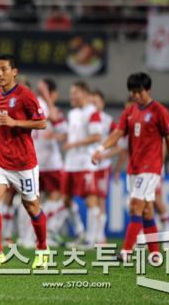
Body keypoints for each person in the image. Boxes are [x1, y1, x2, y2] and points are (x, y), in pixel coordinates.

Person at [91, 73, 169, 262]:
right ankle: (155, 254)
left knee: (135, 206)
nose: (136, 96)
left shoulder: (159, 110)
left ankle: (126, 252)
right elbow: (118, 133)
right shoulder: (130, 112)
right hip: (134, 168)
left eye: (139, 92)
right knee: (147, 211)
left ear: (148, 90)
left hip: (151, 168)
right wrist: (101, 148)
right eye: (133, 92)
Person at [0, 54, 49, 268]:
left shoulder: (26, 96)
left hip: (23, 163)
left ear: (14, 72)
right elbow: (0, 116)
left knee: (32, 208)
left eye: (3, 69)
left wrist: (14, 122)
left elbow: (42, 123)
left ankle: (43, 250)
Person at [61, 81, 102, 249]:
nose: (72, 96)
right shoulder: (72, 114)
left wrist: (75, 143)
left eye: (75, 92)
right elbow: (70, 136)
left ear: (85, 94)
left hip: (86, 162)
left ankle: (92, 239)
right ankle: (80, 232)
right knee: (66, 199)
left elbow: (97, 136)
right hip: (71, 163)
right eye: (71, 93)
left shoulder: (93, 112)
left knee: (90, 200)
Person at [33, 79, 69, 246]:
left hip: (32, 160)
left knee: (34, 200)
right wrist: (48, 98)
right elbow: (62, 129)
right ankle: (48, 231)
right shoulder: (50, 107)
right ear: (53, 93)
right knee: (60, 196)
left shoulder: (30, 105)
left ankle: (35, 235)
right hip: (51, 162)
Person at [89, 88, 116, 245]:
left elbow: (120, 141)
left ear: (102, 103)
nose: (93, 104)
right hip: (88, 165)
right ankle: (91, 235)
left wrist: (106, 154)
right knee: (90, 199)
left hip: (102, 165)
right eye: (91, 101)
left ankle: (100, 237)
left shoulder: (108, 120)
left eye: (96, 101)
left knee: (100, 200)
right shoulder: (86, 117)